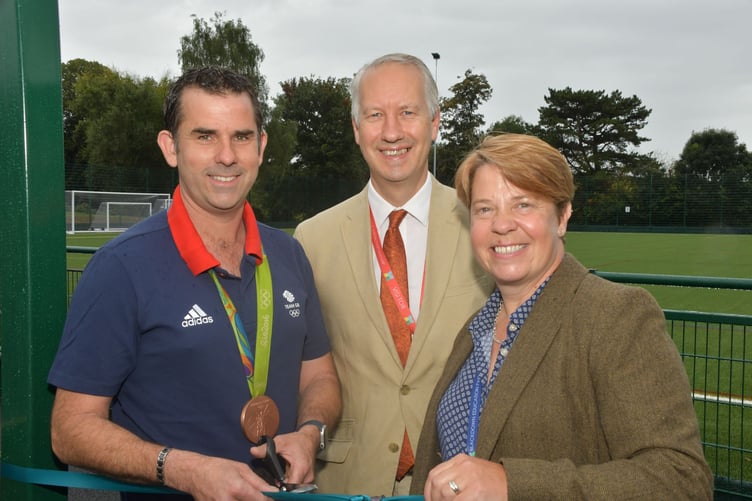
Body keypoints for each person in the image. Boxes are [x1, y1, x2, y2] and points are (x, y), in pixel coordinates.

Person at [48, 67, 341, 501]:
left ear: (261, 147)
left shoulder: (289, 254)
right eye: (205, 136)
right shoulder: (120, 267)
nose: (227, 155)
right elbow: (69, 430)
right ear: (171, 147)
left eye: (241, 137)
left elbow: (320, 377)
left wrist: (310, 433)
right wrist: (182, 469)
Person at [409, 133, 714, 500]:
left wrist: (513, 483)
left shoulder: (615, 317)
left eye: (523, 205)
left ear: (562, 216)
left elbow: (681, 480)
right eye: (484, 209)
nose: (501, 225)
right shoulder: (476, 328)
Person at [293, 53, 492, 497]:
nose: (391, 131)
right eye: (375, 115)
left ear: (435, 122)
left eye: (407, 112)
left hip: (459, 475)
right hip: (347, 480)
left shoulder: (482, 226)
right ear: (356, 129)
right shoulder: (313, 238)